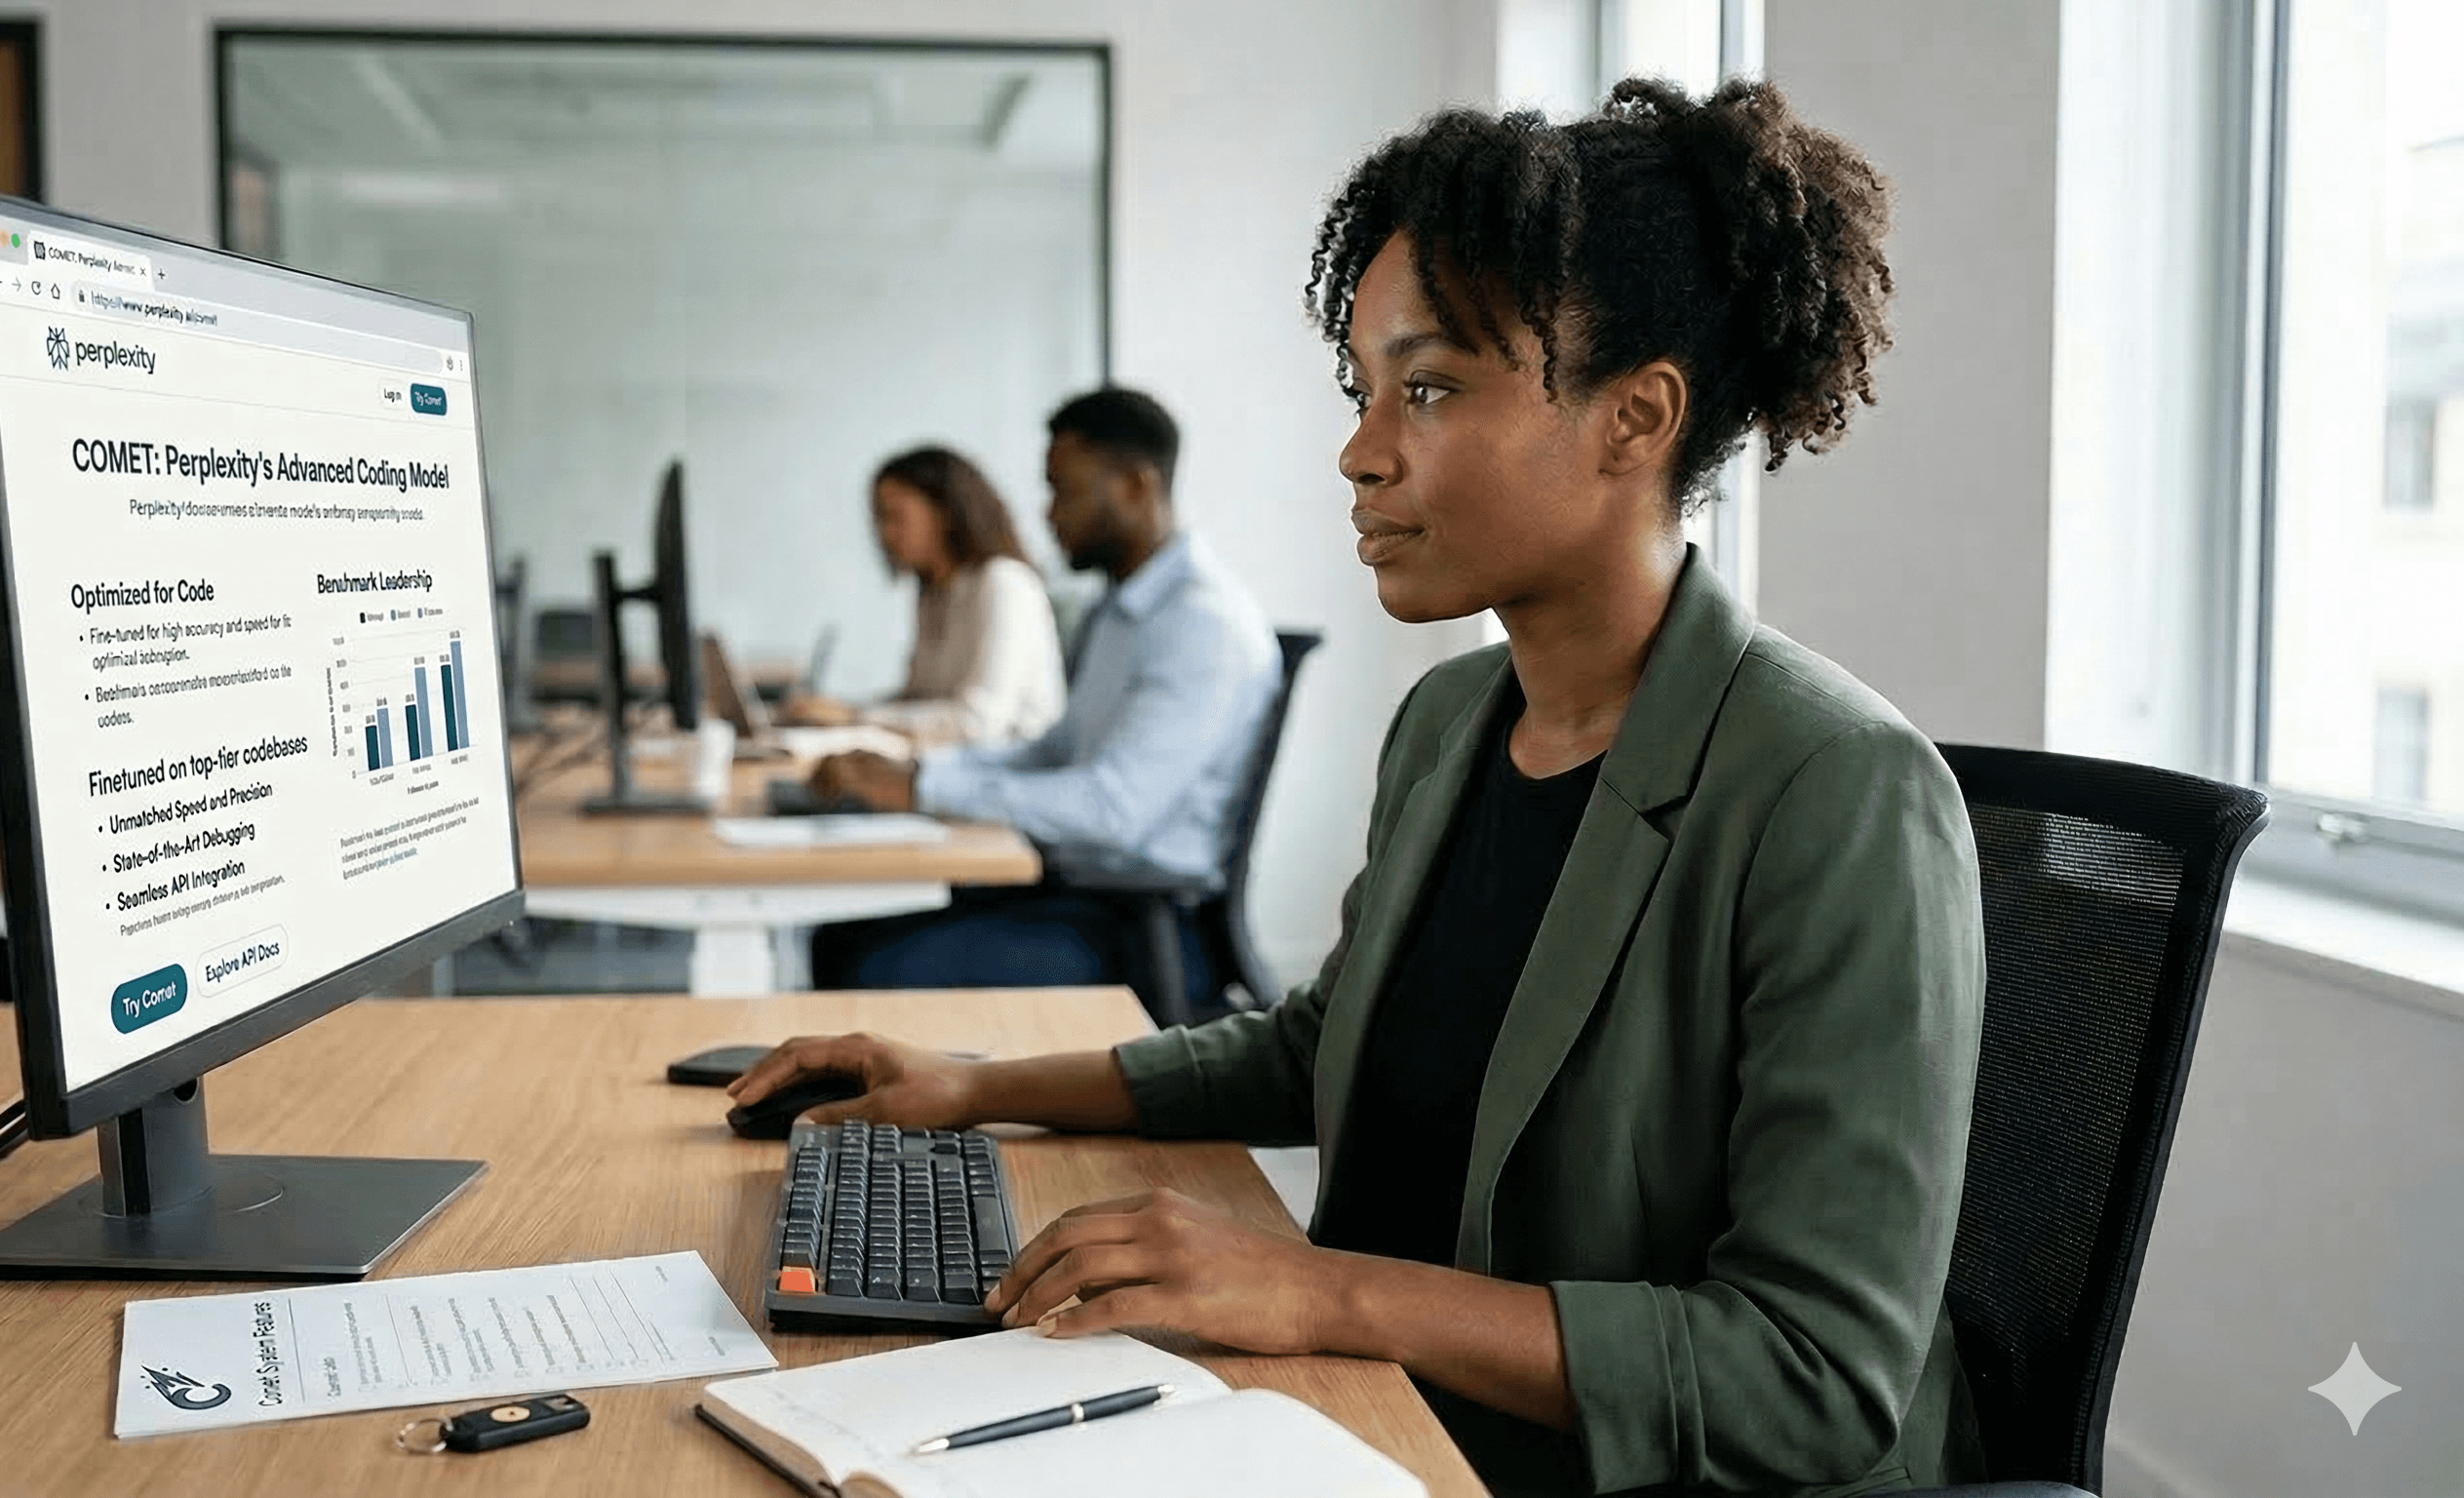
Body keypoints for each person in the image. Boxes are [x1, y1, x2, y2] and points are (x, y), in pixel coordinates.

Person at [735, 79, 1985, 1497]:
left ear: (1635, 421)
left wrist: (1322, 1293)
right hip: (1373, 1409)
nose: (1361, 448)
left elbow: (1812, 1377)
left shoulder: (1840, 792)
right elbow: (1316, 1048)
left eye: (1431, 387)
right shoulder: (1453, 720)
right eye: (1365, 389)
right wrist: (973, 1089)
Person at [803, 389, 1281, 1015]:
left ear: (1136, 487)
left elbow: (1114, 807)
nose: (1049, 515)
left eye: (1064, 491)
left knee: (865, 962)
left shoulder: (1200, 625)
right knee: (838, 936)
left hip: (1151, 930)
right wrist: (920, 775)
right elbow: (1054, 749)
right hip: (1081, 893)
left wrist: (922, 792)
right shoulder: (1119, 611)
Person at [782, 446, 1065, 747]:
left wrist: (854, 716)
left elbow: (978, 724)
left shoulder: (1005, 582)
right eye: (879, 518)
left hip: (1003, 777)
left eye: (895, 516)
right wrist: (834, 711)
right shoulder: (933, 594)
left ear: (944, 511)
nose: (885, 533)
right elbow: (919, 699)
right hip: (950, 769)